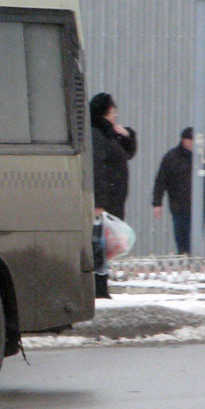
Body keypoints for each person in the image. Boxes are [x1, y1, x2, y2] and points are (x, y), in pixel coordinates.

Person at [90, 92, 136, 298]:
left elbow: (127, 153)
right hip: (104, 201)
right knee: (99, 244)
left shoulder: (108, 134)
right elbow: (97, 169)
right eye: (112, 111)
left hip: (112, 199)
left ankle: (101, 285)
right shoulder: (96, 134)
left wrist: (126, 135)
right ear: (103, 113)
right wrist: (99, 202)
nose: (115, 115)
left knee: (104, 244)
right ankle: (98, 287)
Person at [151, 127, 205, 254]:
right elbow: (161, 181)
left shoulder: (202, 155)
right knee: (183, 240)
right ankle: (185, 264)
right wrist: (157, 203)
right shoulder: (172, 157)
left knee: (196, 240)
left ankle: (195, 264)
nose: (196, 144)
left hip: (199, 206)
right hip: (180, 206)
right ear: (185, 141)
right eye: (194, 140)